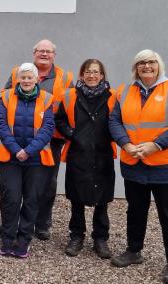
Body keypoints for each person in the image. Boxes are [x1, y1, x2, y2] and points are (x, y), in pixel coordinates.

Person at [109, 49, 168, 284]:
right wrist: (125, 144)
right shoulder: (124, 91)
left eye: (151, 62)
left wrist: (156, 145)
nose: (147, 66)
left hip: (167, 163)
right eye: (141, 63)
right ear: (136, 67)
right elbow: (114, 120)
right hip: (134, 162)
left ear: (159, 65)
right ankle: (134, 251)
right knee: (135, 210)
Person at [3, 39, 73, 240]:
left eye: (48, 51)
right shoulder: (19, 71)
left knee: (47, 184)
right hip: (18, 139)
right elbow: (6, 97)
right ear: (34, 53)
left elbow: (72, 105)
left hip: (51, 139)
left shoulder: (65, 77)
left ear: (54, 55)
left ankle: (42, 224)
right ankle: (12, 223)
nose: (44, 54)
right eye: (41, 51)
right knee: (16, 186)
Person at [55, 59, 116, 259]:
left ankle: (100, 238)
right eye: (88, 72)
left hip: (103, 153)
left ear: (102, 75)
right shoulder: (70, 95)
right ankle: (76, 236)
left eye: (96, 72)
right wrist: (72, 134)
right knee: (77, 198)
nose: (91, 75)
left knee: (102, 200)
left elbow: (119, 121)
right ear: (81, 74)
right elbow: (59, 119)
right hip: (78, 153)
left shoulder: (112, 97)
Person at [0, 63, 54, 258]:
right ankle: (7, 237)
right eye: (23, 77)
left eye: (30, 77)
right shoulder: (5, 96)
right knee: (11, 198)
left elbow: (48, 129)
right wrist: (16, 150)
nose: (27, 80)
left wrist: (28, 151)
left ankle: (23, 240)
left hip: (36, 160)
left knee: (31, 200)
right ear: (17, 79)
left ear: (37, 79)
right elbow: (1, 124)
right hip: (10, 159)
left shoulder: (47, 99)